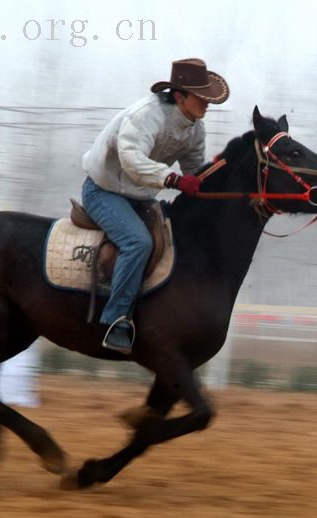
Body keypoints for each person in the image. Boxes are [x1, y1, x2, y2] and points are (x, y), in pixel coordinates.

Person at [81, 58, 230, 355]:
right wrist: (173, 179)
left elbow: (194, 172)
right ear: (179, 96)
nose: (207, 104)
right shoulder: (145, 116)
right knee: (137, 242)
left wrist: (217, 186)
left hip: (140, 195)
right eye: (202, 97)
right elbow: (132, 161)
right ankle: (116, 321)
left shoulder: (196, 129)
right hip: (103, 192)